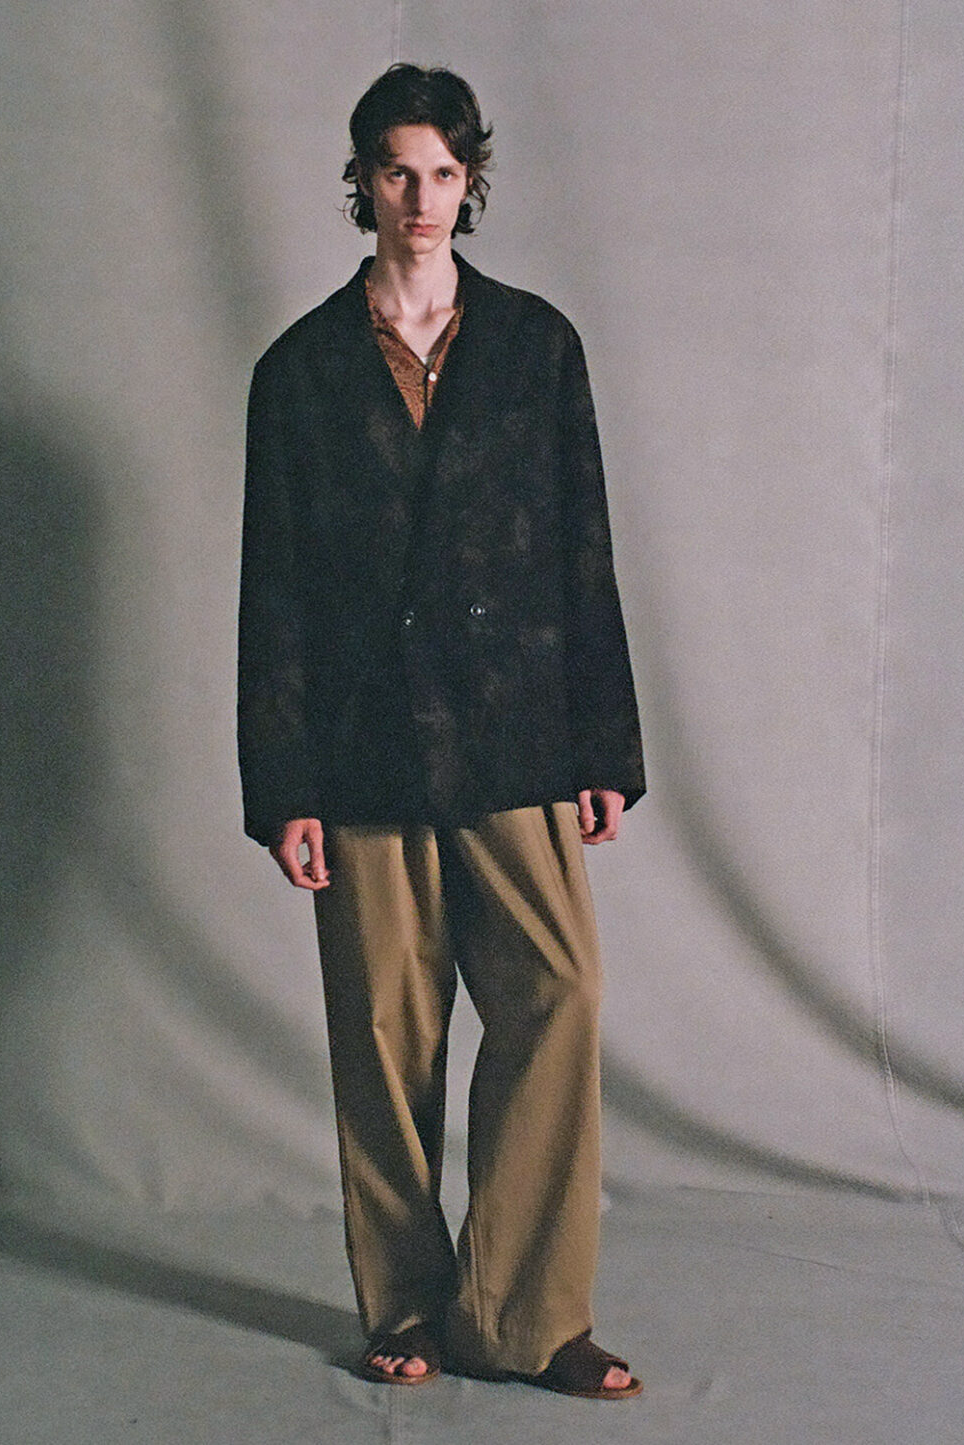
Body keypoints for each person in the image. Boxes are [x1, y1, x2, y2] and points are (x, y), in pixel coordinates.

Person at [237, 63, 645, 1400]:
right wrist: (282, 785)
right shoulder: (300, 370)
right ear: (363, 181)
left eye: (445, 173)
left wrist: (603, 749)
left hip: (514, 730)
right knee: (384, 1033)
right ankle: (408, 1306)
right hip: (359, 743)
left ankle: (527, 1315)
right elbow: (275, 588)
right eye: (398, 172)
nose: (422, 198)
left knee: (559, 996)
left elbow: (583, 553)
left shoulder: (536, 347)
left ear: (472, 184)